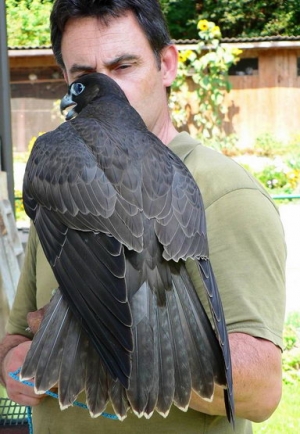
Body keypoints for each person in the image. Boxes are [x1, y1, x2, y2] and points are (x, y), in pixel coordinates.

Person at [0, 1, 286, 433]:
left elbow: (261, 390)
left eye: (124, 65)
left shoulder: (227, 192)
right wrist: (14, 359)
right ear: (68, 82)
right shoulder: (61, 173)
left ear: (166, 64)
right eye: (85, 75)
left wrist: (114, 340)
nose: (110, 86)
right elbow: (19, 332)